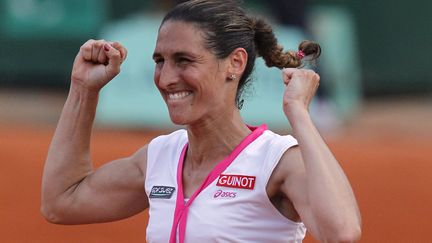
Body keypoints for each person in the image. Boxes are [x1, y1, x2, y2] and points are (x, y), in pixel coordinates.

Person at [41, 0, 361, 242]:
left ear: (234, 63)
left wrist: (299, 114)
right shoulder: (160, 157)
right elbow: (62, 202)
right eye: (159, 61)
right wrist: (83, 90)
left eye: (184, 61)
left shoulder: (277, 161)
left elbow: (342, 232)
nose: (166, 78)